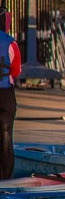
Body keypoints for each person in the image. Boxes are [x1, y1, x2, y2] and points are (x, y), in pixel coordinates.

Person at [0, 17, 21, 179]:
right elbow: (16, 70)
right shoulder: (10, 43)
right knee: (6, 133)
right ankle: (6, 177)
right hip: (6, 93)